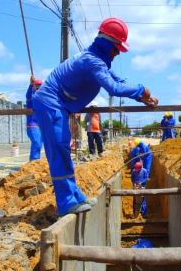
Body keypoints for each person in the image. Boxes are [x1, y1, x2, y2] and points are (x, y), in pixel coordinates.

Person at [32, 17, 158, 216]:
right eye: (117, 49)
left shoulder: (98, 61)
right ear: (108, 44)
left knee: (63, 151)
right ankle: (66, 203)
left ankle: (76, 197)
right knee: (60, 153)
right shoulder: (92, 61)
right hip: (51, 104)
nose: (118, 54)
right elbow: (113, 88)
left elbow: (119, 80)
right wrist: (142, 89)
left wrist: (142, 97)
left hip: (59, 106)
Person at [25, 78, 44, 160]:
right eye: (36, 86)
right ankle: (33, 162)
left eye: (40, 86)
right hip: (32, 125)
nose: (38, 87)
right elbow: (28, 95)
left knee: (39, 144)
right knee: (36, 143)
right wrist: (30, 85)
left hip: (41, 125)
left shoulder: (42, 98)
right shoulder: (31, 98)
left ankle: (36, 161)